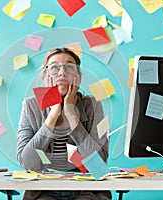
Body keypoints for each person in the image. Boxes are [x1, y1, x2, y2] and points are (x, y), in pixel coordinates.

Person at [17, 47, 111, 200]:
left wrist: (71, 114)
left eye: (69, 67)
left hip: (85, 190)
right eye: (54, 67)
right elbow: (28, 163)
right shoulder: (30, 106)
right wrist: (53, 114)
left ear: (78, 77)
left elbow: (98, 164)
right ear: (44, 76)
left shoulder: (93, 105)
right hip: (42, 191)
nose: (61, 73)